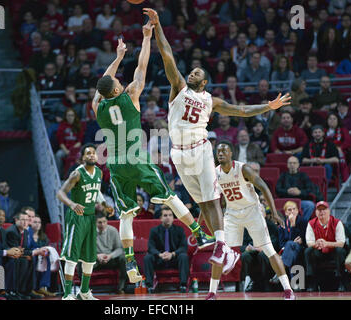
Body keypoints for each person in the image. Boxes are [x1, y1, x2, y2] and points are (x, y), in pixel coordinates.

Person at [144, 8, 291, 276]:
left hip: (201, 150)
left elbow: (243, 111)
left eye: (197, 73)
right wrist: (157, 28)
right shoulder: (178, 87)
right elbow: (167, 55)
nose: (192, 73)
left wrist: (269, 106)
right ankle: (223, 246)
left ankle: (222, 246)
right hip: (178, 153)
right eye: (192, 71)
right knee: (201, 204)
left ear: (205, 81)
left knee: (212, 200)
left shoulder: (212, 101)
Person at [92, 20, 215, 287]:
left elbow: (101, 85)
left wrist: (117, 57)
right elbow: (142, 67)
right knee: (169, 197)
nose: (119, 79)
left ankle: (129, 261)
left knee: (125, 215)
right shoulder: (131, 94)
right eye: (116, 80)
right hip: (136, 159)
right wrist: (146, 38)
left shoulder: (97, 106)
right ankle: (199, 233)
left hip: (114, 164)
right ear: (116, 89)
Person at [207, 142, 294, 300]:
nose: (220, 153)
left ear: (231, 153)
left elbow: (264, 187)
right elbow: (211, 201)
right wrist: (201, 219)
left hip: (252, 211)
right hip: (232, 213)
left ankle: (288, 290)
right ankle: (212, 293)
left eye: (224, 151)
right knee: (218, 251)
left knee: (269, 250)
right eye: (218, 151)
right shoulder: (215, 173)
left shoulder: (243, 168)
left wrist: (274, 213)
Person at [57, 144, 110, 300]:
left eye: (94, 153)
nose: (92, 155)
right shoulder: (77, 173)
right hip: (76, 217)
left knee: (89, 256)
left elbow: (97, 192)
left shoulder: (99, 172)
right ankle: (67, 294)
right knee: (72, 255)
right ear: (82, 157)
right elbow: (60, 193)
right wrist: (72, 204)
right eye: (88, 153)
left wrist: (106, 205)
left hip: (90, 216)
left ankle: (84, 291)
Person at [144, 206, 189, 293]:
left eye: (170, 215)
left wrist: (172, 254)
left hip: (174, 259)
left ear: (173, 218)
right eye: (165, 215)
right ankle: (149, 286)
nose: (168, 217)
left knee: (183, 256)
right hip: (160, 259)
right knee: (148, 257)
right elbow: (151, 247)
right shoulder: (154, 231)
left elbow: (183, 247)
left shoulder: (179, 230)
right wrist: (159, 254)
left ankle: (183, 285)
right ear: (160, 218)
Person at [304, 201, 346, 292]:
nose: (321, 212)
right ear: (315, 212)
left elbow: (341, 243)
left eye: (324, 209)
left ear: (329, 211)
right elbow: (309, 243)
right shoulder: (311, 223)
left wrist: (327, 243)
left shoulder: (337, 223)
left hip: (333, 251)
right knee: (308, 251)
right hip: (318, 250)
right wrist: (317, 244)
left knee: (340, 251)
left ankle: (341, 282)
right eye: (319, 210)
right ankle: (312, 282)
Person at [5, 212, 48, 300]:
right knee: (20, 260)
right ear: (16, 220)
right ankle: (14, 291)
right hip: (8, 256)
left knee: (30, 259)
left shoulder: (25, 232)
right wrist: (34, 252)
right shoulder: (11, 231)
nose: (25, 222)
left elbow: (24, 249)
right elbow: (15, 250)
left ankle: (26, 290)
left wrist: (31, 253)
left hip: (18, 255)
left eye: (27, 220)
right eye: (22, 220)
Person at [276, 156, 321, 222]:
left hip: (300, 201)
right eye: (290, 163)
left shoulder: (303, 175)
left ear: (298, 165)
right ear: (287, 165)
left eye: (294, 163)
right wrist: (287, 191)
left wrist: (300, 192)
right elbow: (277, 189)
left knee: (310, 205)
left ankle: (301, 223)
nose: (292, 165)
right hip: (285, 200)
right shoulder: (283, 175)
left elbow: (309, 190)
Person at [94, 212, 127, 294]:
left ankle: (121, 288)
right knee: (82, 261)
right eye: (99, 222)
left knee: (124, 258)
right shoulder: (90, 232)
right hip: (95, 259)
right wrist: (97, 256)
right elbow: (85, 250)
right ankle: (84, 289)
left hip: (110, 258)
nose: (102, 224)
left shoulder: (113, 230)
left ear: (107, 221)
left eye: (104, 222)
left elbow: (120, 249)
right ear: (95, 223)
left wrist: (110, 256)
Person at [278, 201, 308, 276]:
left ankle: (281, 270)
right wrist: (292, 243)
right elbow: (281, 244)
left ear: (298, 211)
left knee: (290, 244)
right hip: (288, 251)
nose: (292, 211)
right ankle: (296, 285)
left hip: (301, 249)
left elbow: (305, 239)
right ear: (285, 213)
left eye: (294, 209)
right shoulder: (282, 225)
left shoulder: (304, 222)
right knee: (291, 246)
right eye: (289, 210)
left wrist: (293, 225)